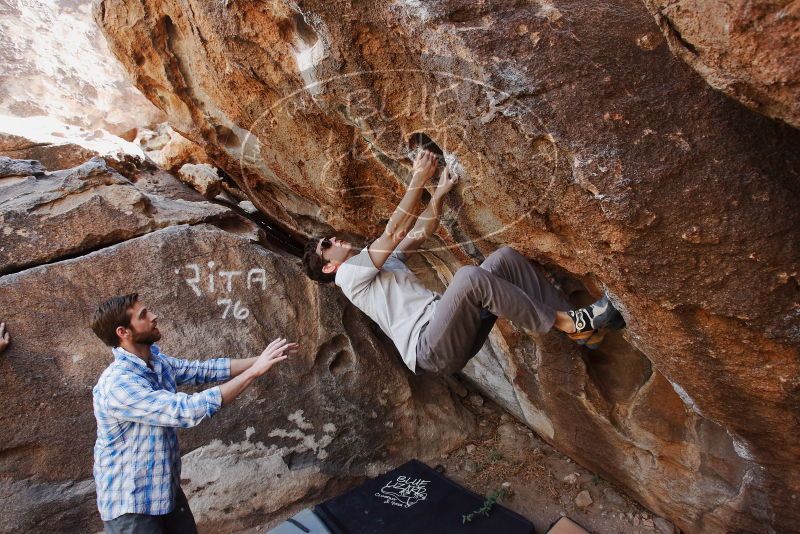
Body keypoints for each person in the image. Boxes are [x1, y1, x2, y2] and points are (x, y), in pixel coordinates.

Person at [302, 150, 624, 375]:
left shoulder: (372, 267)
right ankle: (570, 323)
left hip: (449, 329)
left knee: (504, 260)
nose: (335, 240)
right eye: (327, 246)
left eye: (329, 237)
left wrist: (439, 194)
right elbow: (395, 229)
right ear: (329, 267)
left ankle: (582, 329)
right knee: (469, 279)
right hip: (431, 348)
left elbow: (417, 233)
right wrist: (417, 178)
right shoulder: (348, 278)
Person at [90, 293, 297, 533]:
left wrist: (261, 359)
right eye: (143, 315)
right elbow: (185, 410)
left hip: (164, 492)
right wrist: (254, 372)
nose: (154, 316)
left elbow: (204, 370)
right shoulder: (118, 384)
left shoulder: (155, 362)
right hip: (132, 505)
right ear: (122, 332)